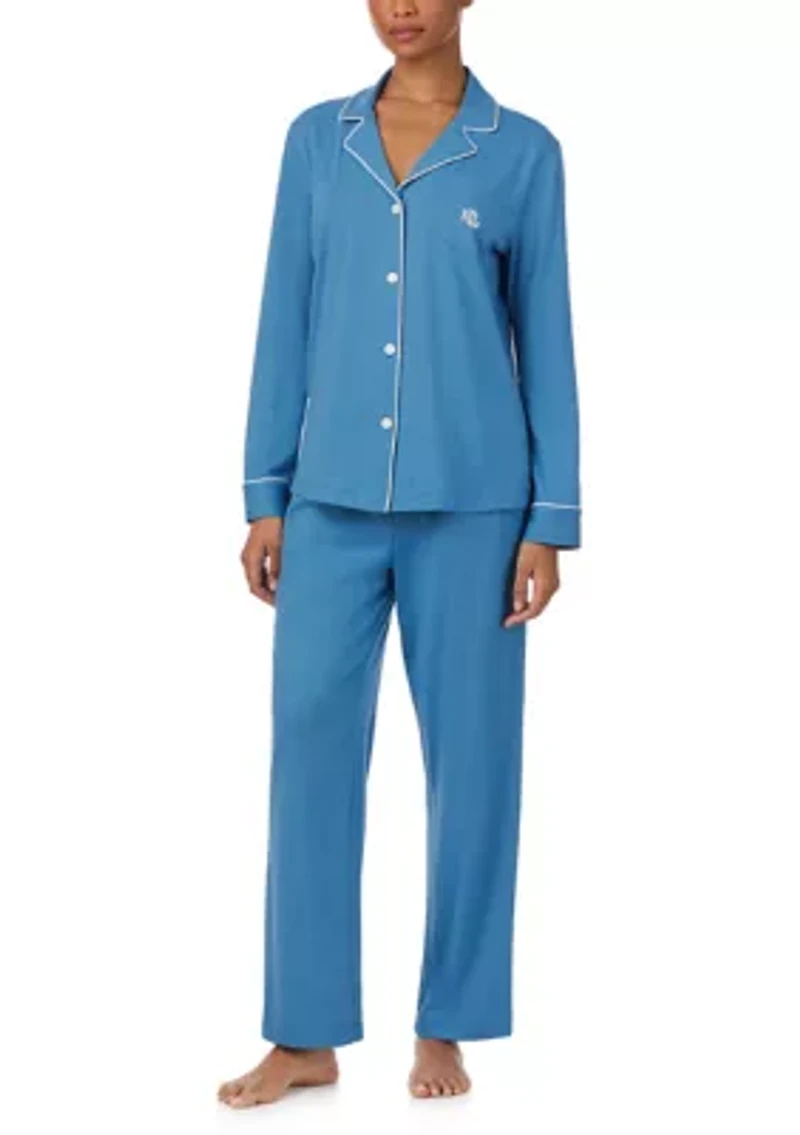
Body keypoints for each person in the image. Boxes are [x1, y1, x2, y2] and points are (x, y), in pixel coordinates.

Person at [218, 0, 581, 1109]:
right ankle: (304, 1034)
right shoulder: (315, 142)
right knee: (309, 761)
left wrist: (550, 517)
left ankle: (447, 1024)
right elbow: (284, 314)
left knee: (473, 770)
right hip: (327, 504)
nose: (400, 7)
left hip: (476, 509)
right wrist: (264, 492)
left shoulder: (522, 155)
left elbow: (547, 335)